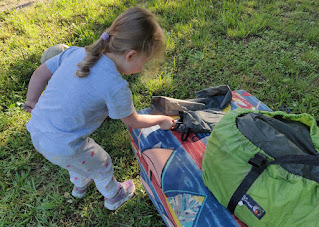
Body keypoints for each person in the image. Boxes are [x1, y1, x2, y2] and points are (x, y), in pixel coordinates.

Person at [24, 7, 175, 210]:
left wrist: (31, 101)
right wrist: (161, 119)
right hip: (64, 144)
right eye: (145, 61)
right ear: (131, 55)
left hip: (38, 132)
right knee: (102, 163)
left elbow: (41, 73)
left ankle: (80, 184)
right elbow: (133, 121)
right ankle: (114, 196)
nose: (144, 67)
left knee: (76, 160)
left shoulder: (76, 52)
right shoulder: (115, 86)